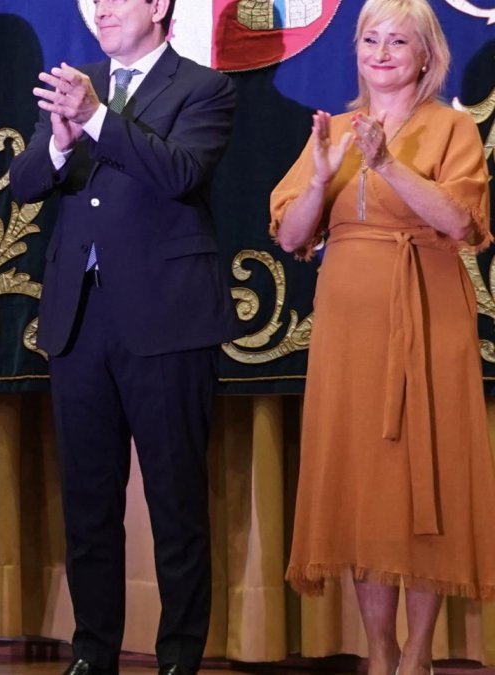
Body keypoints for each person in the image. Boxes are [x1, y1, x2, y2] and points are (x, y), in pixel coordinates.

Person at [9, 0, 238, 673]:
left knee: (176, 503)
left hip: (167, 320)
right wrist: (58, 139)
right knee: (87, 502)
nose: (102, 9)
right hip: (80, 321)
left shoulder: (204, 88)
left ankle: (178, 657)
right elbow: (23, 184)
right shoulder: (75, 84)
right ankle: (93, 652)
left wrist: (98, 119)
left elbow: (180, 173)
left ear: (160, 6)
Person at [270, 1, 495, 673]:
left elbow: (461, 224)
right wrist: (318, 177)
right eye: (371, 38)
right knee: (365, 486)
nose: (383, 50)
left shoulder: (451, 128)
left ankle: (419, 654)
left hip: (429, 318)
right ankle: (378, 650)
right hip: (348, 330)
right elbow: (289, 234)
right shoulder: (334, 129)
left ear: (428, 55)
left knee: (421, 483)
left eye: (400, 40)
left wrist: (388, 164)